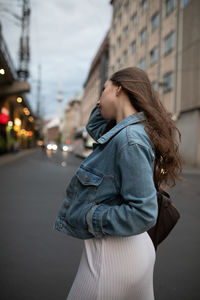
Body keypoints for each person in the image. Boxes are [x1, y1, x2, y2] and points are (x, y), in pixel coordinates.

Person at [54, 67, 182, 300]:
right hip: (126, 251)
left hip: (113, 258)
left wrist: (88, 215)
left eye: (103, 90)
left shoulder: (129, 139)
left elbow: (143, 213)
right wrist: (108, 102)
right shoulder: (124, 132)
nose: (98, 100)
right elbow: (94, 127)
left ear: (119, 89)